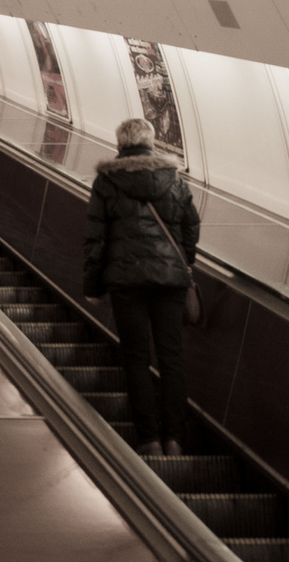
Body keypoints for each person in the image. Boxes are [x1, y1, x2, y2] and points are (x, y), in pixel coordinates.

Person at [83, 117, 200, 457]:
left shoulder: (107, 182)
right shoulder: (174, 181)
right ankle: (174, 438)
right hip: (170, 282)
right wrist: (182, 260)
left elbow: (95, 238)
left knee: (135, 358)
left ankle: (148, 438)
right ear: (151, 144)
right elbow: (191, 227)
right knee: (171, 358)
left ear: (120, 145)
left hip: (126, 281)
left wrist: (92, 284)